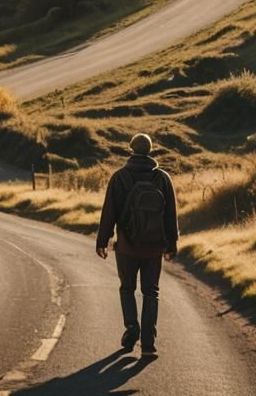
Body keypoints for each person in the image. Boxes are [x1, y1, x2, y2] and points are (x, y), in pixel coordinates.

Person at [96, 133, 179, 357]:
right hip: (154, 247)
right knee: (151, 292)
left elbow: (109, 211)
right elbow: (170, 215)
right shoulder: (163, 178)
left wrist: (102, 241)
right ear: (151, 151)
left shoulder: (119, 177)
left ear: (131, 149)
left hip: (127, 246)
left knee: (127, 288)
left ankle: (132, 327)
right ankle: (148, 344)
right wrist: (172, 244)